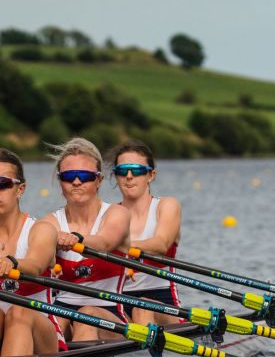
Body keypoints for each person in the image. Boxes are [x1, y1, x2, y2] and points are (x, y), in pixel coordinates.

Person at [0, 147, 66, 357]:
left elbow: (35, 264)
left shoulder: (41, 229)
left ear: (20, 189)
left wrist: (10, 262)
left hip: (43, 334)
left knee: (18, 312)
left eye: (3, 184)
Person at [40, 138, 131, 342]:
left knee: (87, 314)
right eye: (69, 176)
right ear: (60, 180)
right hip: (62, 310)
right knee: (50, 321)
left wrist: (77, 239)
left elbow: (105, 242)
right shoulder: (50, 222)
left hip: (108, 311)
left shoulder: (117, 214)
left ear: (99, 180)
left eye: (85, 176)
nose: (76, 182)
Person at [110, 140, 183, 327]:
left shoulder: (166, 206)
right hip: (115, 300)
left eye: (136, 170)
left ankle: (144, 353)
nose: (128, 176)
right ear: (116, 176)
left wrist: (117, 247)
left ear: (151, 175)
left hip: (161, 299)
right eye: (122, 171)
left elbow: (161, 244)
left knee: (142, 308)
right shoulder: (108, 215)